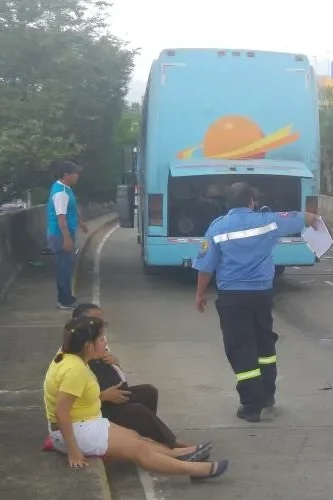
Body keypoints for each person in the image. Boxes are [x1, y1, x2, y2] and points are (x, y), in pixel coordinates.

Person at [43, 316, 229, 479]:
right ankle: (197, 470)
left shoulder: (70, 357)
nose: (105, 342)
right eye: (101, 338)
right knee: (138, 450)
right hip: (78, 430)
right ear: (88, 346)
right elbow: (61, 413)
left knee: (136, 437)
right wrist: (74, 452)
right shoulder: (74, 370)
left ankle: (179, 453)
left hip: (87, 422)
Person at [193, 182, 318, 422]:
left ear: (228, 203)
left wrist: (200, 295)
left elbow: (206, 267)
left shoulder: (217, 228)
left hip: (232, 298)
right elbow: (307, 218)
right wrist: (315, 222)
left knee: (241, 348)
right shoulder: (269, 221)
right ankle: (267, 395)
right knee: (264, 345)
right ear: (252, 201)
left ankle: (250, 407)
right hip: (262, 296)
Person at [71, 303, 199, 450]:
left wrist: (115, 363)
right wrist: (102, 396)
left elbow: (120, 378)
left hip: (111, 395)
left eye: (103, 323)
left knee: (148, 392)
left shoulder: (95, 341)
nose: (102, 328)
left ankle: (150, 438)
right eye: (97, 323)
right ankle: (173, 445)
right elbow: (72, 401)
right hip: (95, 408)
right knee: (137, 411)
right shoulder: (74, 358)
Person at [47, 160, 88, 310]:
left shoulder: (66, 189)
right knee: (63, 268)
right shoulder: (60, 193)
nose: (77, 176)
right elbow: (61, 218)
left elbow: (72, 209)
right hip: (59, 235)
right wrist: (67, 239)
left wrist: (80, 222)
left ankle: (67, 297)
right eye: (75, 173)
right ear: (66, 175)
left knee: (67, 267)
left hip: (65, 233)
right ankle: (64, 300)